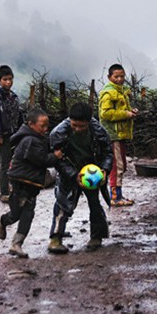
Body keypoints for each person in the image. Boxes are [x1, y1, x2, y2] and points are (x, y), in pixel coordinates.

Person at [48, 102, 113, 254]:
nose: (77, 129)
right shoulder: (58, 133)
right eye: (74, 125)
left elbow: (108, 153)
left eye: (81, 126)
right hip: (69, 172)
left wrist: (104, 170)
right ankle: (55, 238)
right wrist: (72, 174)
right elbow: (57, 159)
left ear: (89, 122)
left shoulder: (99, 132)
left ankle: (97, 236)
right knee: (63, 204)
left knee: (95, 204)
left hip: (93, 173)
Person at [0, 109, 63, 258]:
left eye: (47, 125)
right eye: (42, 125)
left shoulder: (38, 138)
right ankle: (4, 220)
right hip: (20, 181)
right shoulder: (30, 140)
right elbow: (41, 160)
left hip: (32, 184)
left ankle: (16, 244)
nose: (46, 129)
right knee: (16, 214)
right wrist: (56, 156)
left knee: (28, 213)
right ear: (31, 124)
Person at [99, 63, 138, 207]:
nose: (120, 79)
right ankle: (115, 197)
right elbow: (105, 113)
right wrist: (126, 114)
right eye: (116, 76)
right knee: (117, 165)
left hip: (120, 134)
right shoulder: (109, 92)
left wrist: (130, 111)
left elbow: (121, 109)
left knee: (121, 164)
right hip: (113, 134)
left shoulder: (121, 91)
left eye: (122, 76)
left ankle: (118, 195)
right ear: (109, 77)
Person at [0, 65, 24, 203]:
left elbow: (19, 115)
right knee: (5, 163)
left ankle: (15, 189)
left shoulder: (13, 96)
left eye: (10, 79)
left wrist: (22, 132)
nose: (8, 82)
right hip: (3, 135)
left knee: (16, 162)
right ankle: (4, 192)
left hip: (15, 134)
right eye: (5, 79)